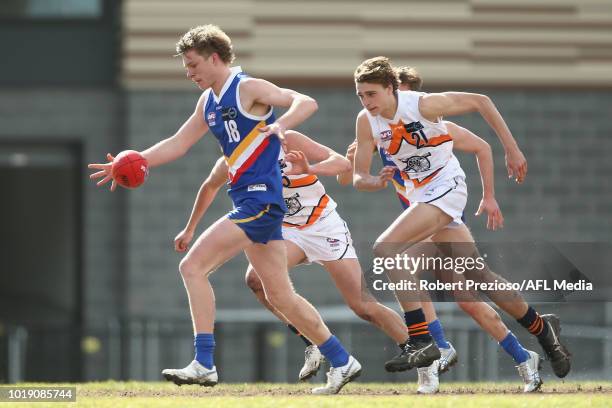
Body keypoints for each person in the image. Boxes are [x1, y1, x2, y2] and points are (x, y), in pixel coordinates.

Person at [88, 25, 361, 395]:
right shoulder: (209, 101)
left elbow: (305, 102)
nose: (189, 72)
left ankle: (204, 362)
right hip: (249, 201)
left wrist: (279, 126)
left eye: (193, 64)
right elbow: (178, 143)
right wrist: (134, 160)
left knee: (192, 266)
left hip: (260, 201)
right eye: (186, 66)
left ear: (214, 58)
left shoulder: (246, 87)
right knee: (280, 296)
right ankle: (343, 361)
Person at [351, 57, 570, 392]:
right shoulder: (367, 122)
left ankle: (423, 341)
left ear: (392, 88)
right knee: (477, 277)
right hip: (423, 202)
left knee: (387, 249)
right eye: (360, 96)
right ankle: (541, 327)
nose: (367, 102)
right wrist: (374, 181)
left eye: (371, 94)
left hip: (447, 190)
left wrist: (511, 149)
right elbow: (357, 177)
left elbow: (482, 102)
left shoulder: (426, 106)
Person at [174, 129, 415, 388]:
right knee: (257, 279)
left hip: (323, 225)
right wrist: (190, 228)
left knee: (363, 306)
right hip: (288, 230)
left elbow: (343, 164)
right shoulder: (234, 159)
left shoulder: (286, 140)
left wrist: (308, 167)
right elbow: (209, 185)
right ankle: (315, 342)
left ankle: (418, 348)